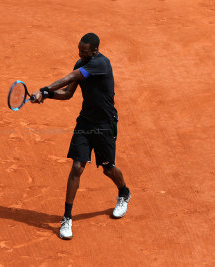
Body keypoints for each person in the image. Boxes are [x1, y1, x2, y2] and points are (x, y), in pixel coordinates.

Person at [31, 33, 131, 240]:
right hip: (85, 122)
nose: (80, 53)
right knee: (77, 166)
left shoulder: (101, 64)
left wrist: (44, 89)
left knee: (107, 168)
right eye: (79, 49)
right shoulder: (82, 62)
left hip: (105, 125)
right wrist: (47, 96)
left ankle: (124, 193)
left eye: (84, 51)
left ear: (94, 51)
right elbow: (68, 93)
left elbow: (71, 78)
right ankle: (67, 218)